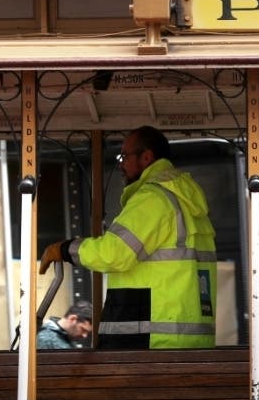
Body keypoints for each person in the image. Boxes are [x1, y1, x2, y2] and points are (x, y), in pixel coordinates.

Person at [39, 125, 217, 349]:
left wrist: (66, 249)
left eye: (124, 156)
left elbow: (114, 253)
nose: (121, 164)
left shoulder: (153, 199)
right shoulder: (187, 203)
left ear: (146, 157)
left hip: (149, 339)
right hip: (189, 339)